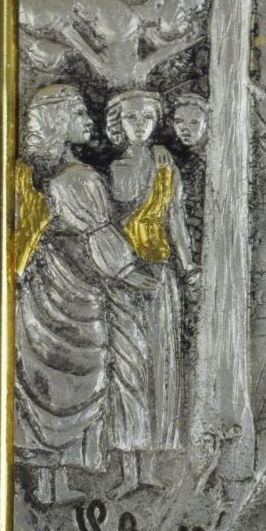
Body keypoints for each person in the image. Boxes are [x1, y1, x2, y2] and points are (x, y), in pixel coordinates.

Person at [13, 85, 132, 503]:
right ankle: (51, 484)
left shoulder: (42, 176)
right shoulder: (78, 179)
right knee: (69, 374)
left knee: (53, 376)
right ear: (58, 121)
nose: (88, 120)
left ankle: (51, 483)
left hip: (53, 284)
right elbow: (106, 247)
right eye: (79, 113)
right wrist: (132, 275)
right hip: (67, 287)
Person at [102, 89, 191, 494]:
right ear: (117, 123)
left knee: (160, 367)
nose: (139, 125)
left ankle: (151, 468)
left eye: (147, 118)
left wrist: (188, 267)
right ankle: (128, 471)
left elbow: (176, 221)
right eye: (131, 118)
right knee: (127, 370)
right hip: (123, 280)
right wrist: (119, 270)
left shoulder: (165, 165)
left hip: (161, 275)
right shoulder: (111, 170)